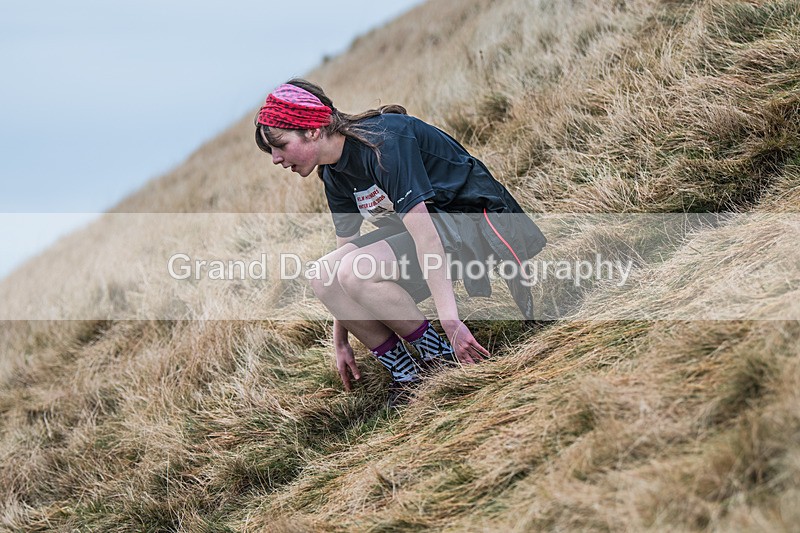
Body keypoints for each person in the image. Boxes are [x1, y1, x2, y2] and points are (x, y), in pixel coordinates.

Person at [255, 78, 546, 406]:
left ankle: (440, 356)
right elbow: (341, 256)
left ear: (311, 130)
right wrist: (341, 339)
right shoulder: (334, 173)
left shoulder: (384, 143)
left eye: (280, 145)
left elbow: (427, 238)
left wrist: (451, 321)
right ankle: (407, 374)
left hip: (477, 227)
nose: (276, 159)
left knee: (356, 270)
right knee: (323, 274)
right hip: (436, 236)